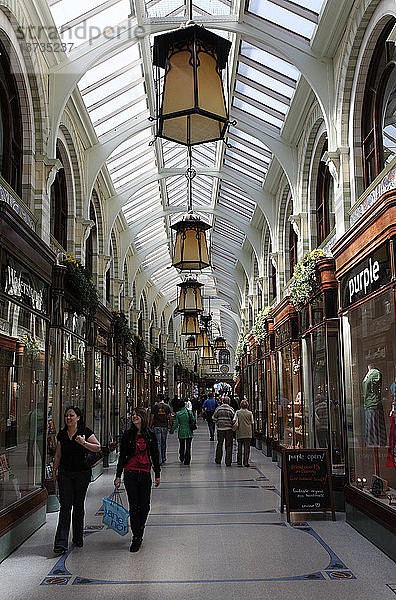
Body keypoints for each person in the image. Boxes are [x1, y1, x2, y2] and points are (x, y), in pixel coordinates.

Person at [53, 406, 101, 554]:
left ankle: (78, 537)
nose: (68, 418)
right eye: (67, 416)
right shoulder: (62, 434)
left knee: (78, 505)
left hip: (81, 474)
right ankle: (61, 542)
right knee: (65, 506)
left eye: (71, 415)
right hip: (65, 473)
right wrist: (54, 471)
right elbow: (58, 455)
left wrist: (83, 443)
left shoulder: (85, 432)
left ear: (78, 418)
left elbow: (98, 448)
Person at [114, 407, 160, 552]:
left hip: (145, 473)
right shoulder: (128, 435)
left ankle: (140, 528)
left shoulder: (150, 434)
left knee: (145, 505)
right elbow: (122, 456)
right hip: (131, 473)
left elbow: (155, 454)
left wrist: (157, 473)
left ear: (142, 417)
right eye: (132, 415)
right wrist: (118, 475)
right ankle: (136, 536)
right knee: (134, 506)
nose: (134, 417)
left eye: (136, 415)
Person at [170, 400, 196, 465]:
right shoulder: (189, 412)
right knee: (188, 446)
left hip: (181, 431)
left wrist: (172, 430)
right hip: (189, 431)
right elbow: (193, 419)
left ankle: (182, 457)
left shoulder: (178, 414)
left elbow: (176, 424)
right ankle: (187, 460)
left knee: (182, 445)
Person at [149, 393, 173, 464]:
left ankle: (159, 459)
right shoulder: (167, 406)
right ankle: (163, 457)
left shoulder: (155, 407)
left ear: (159, 398)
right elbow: (170, 417)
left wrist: (149, 426)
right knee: (163, 443)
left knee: (158, 443)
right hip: (164, 426)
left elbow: (152, 417)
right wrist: (171, 426)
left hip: (157, 426)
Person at [212, 398, 235, 466]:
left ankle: (218, 459)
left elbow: (214, 418)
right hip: (228, 429)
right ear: (229, 402)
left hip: (220, 429)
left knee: (220, 444)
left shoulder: (218, 409)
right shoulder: (231, 409)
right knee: (228, 445)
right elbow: (234, 419)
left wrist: (218, 422)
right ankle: (228, 461)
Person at [233, 399, 254, 467]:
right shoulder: (250, 413)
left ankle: (239, 462)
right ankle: (246, 462)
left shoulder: (237, 412)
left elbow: (234, 420)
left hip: (240, 431)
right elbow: (252, 423)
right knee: (247, 448)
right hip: (248, 432)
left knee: (239, 447)